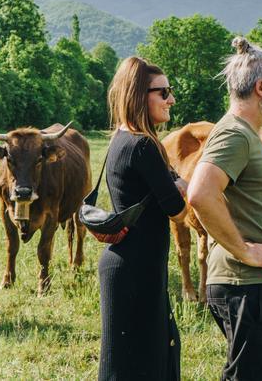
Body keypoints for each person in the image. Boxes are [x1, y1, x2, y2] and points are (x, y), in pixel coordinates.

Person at [187, 37, 262, 380]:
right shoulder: (235, 135)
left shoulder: (247, 135)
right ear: (261, 87)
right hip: (248, 287)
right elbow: (200, 193)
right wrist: (243, 251)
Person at [97, 56, 188, 381]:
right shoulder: (142, 147)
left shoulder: (121, 139)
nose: (171, 99)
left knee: (125, 362)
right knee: (145, 362)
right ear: (139, 95)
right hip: (137, 269)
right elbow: (176, 210)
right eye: (163, 93)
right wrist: (183, 186)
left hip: (129, 265)